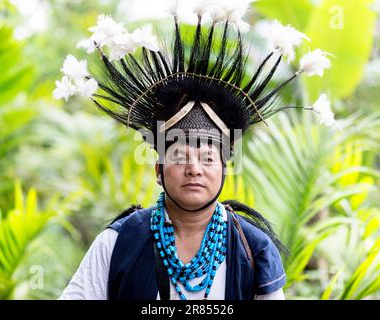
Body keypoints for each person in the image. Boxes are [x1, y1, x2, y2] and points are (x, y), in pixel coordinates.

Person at [55, 0, 333, 300]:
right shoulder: (119, 242)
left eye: (208, 158)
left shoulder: (254, 248)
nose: (194, 168)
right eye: (179, 156)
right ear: (159, 170)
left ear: (224, 169)